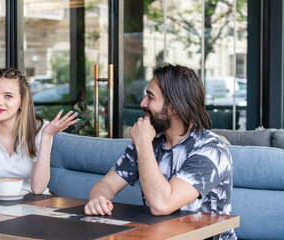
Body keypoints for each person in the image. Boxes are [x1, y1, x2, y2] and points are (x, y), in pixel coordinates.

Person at [84, 63, 236, 239]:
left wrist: (143, 145)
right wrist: (98, 199)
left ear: (173, 106)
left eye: (151, 97)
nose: (143, 103)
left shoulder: (211, 151)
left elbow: (162, 205)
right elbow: (106, 184)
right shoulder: (150, 142)